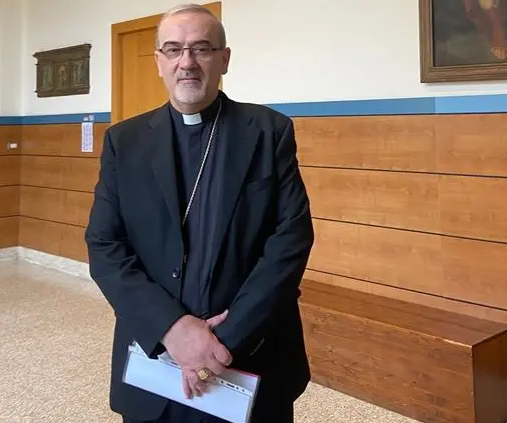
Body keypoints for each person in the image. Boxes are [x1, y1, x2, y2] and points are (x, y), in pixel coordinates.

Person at [84, 4, 314, 423]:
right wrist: (172, 329)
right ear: (159, 61)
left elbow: (290, 242)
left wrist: (220, 342)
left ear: (224, 59)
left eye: (201, 49)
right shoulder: (124, 141)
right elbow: (104, 245)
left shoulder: (269, 131)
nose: (186, 62)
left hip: (250, 357)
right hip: (155, 360)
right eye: (173, 49)